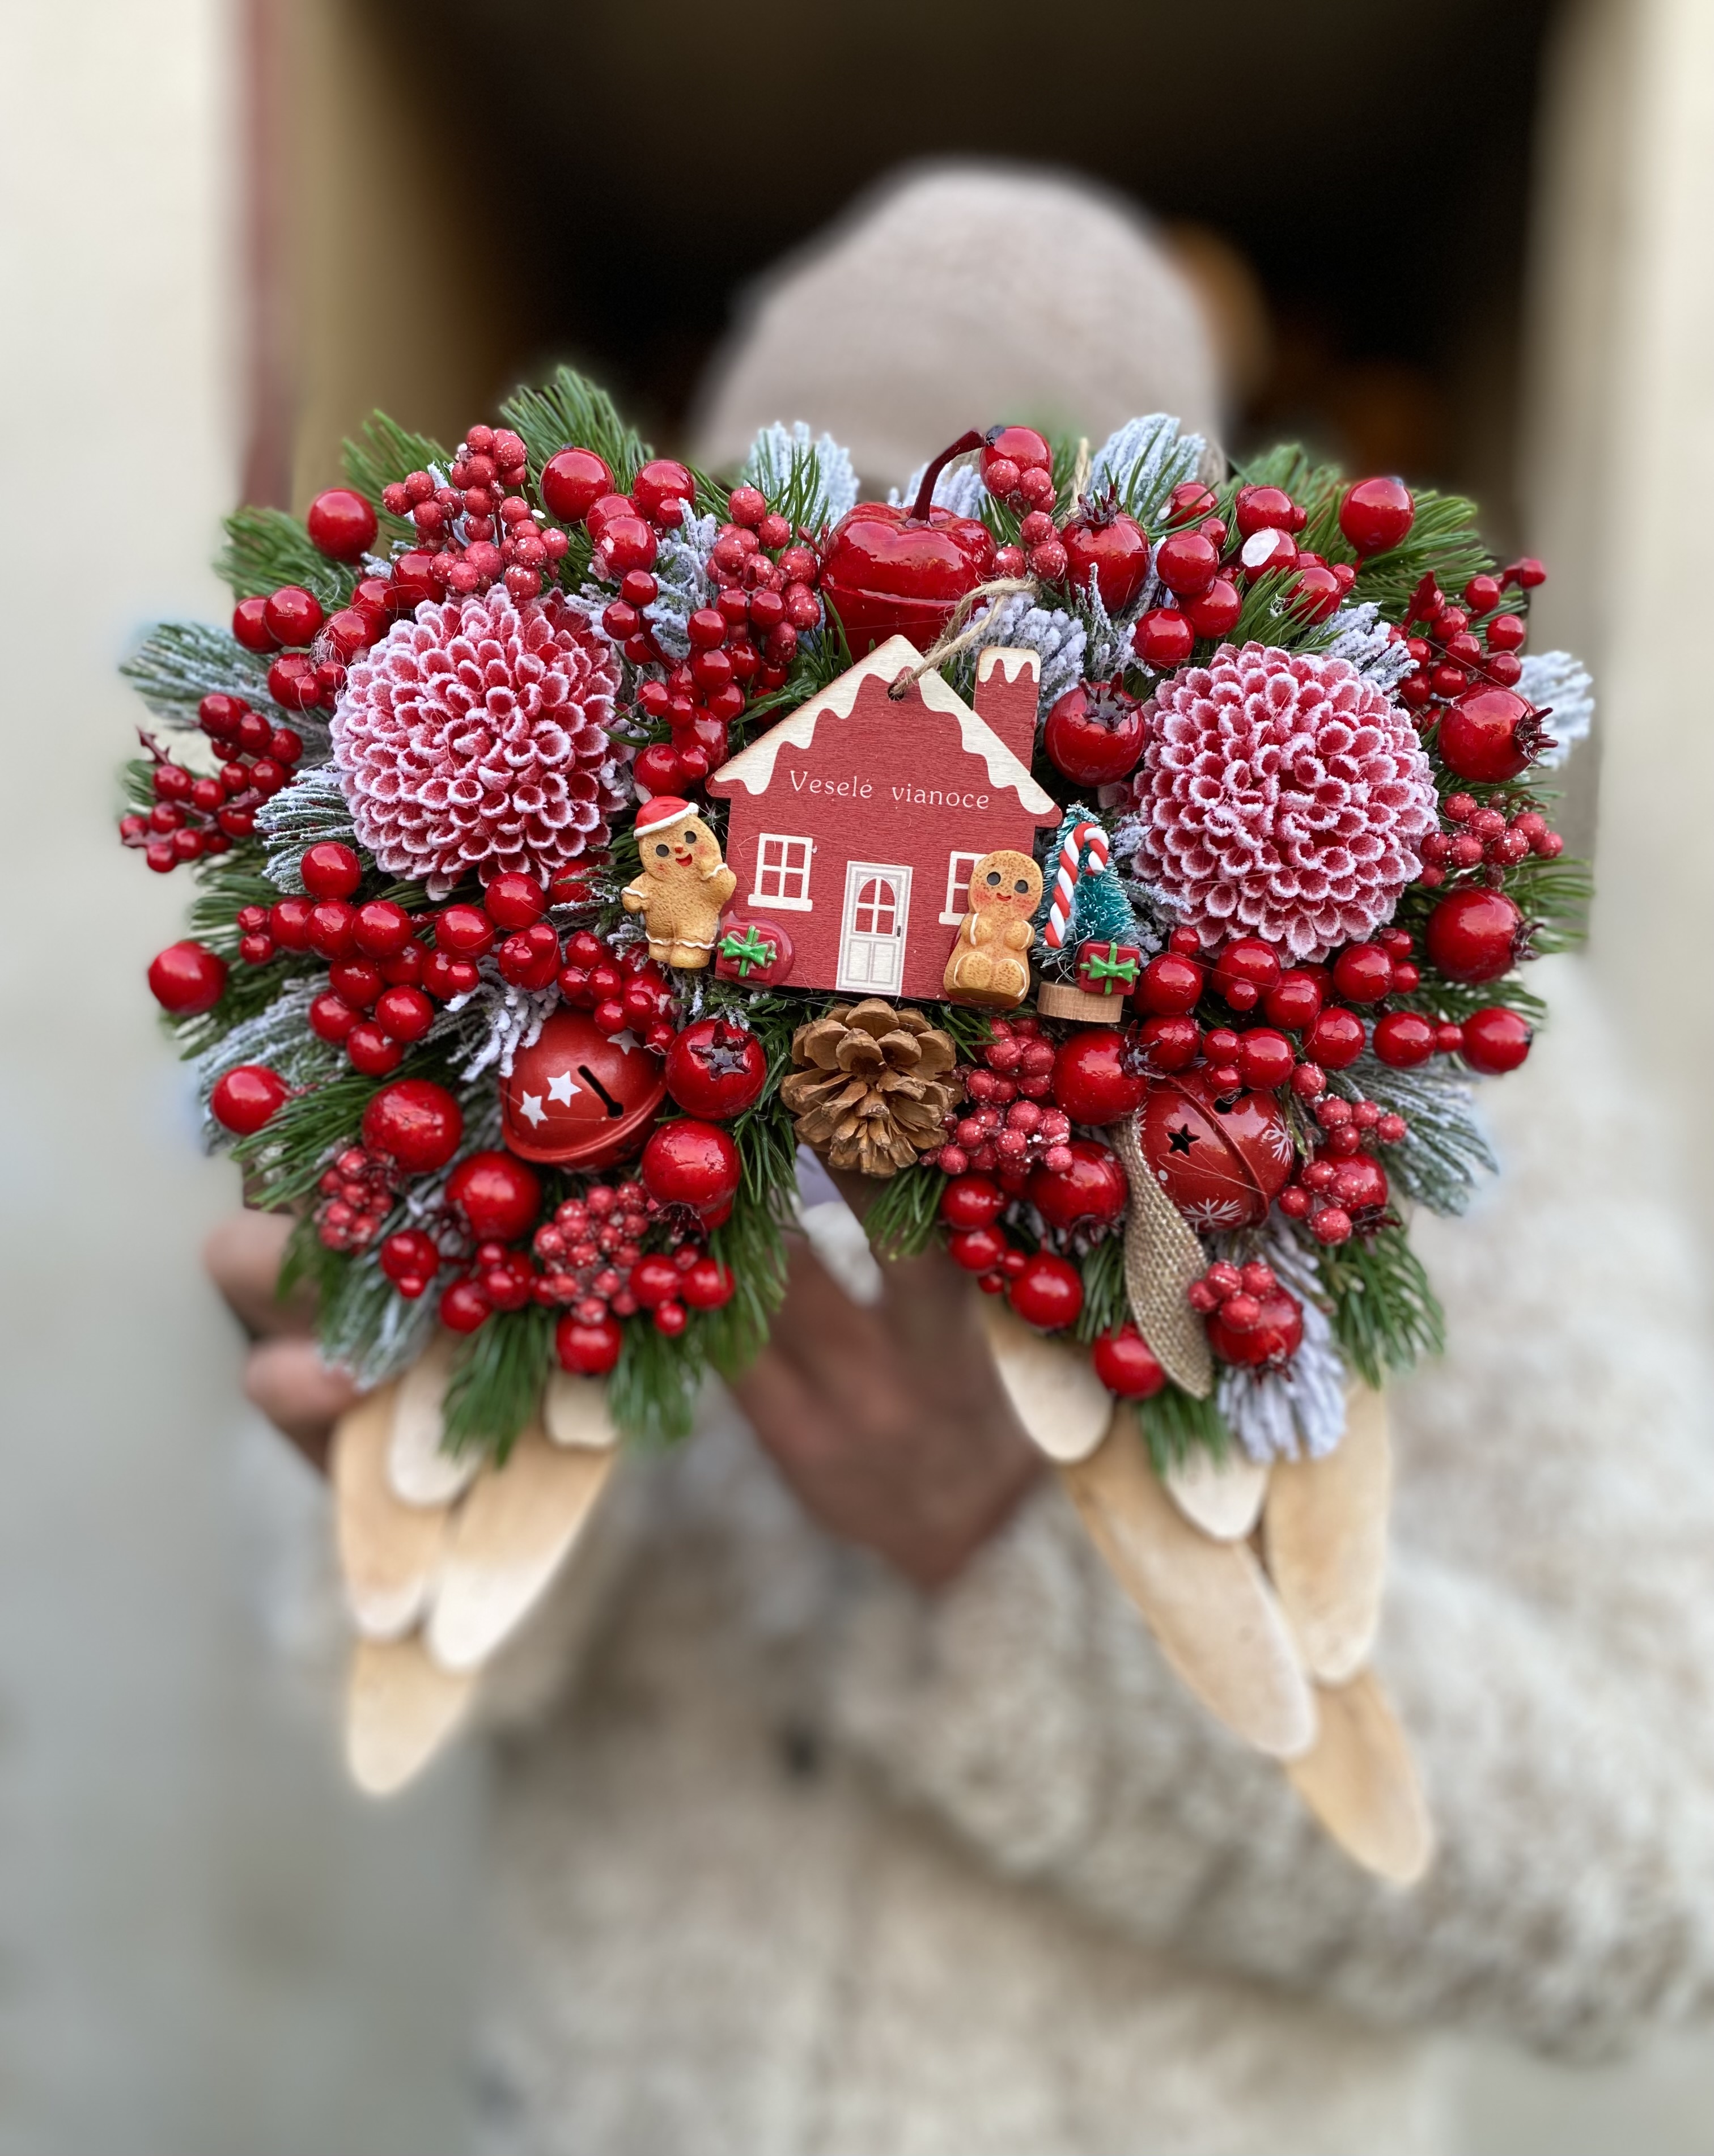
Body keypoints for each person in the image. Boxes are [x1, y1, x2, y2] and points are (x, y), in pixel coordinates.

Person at [209, 164, 1714, 2155]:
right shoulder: (559, 978)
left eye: (971, 640)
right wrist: (416, 1466)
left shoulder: (1433, 1060)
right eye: (783, 620)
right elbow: (382, 1696)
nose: (864, 712)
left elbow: (1660, 1885)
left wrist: (1016, 1578)